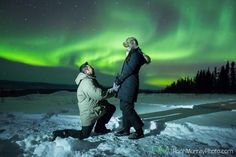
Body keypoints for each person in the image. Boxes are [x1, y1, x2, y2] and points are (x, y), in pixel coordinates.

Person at [52, 62, 116, 140]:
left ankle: (100, 128)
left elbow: (99, 90)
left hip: (95, 109)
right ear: (86, 71)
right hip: (90, 113)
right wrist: (114, 90)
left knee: (110, 108)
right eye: (90, 67)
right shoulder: (87, 82)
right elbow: (99, 95)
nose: (93, 68)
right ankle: (60, 133)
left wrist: (112, 89)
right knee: (84, 134)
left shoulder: (89, 80)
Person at [114, 37, 151, 139]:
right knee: (124, 106)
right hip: (126, 84)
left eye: (127, 45)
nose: (126, 48)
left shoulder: (135, 55)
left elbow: (129, 70)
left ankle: (139, 131)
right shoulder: (132, 54)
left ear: (133, 43)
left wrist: (119, 79)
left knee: (127, 107)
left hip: (129, 84)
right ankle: (126, 129)